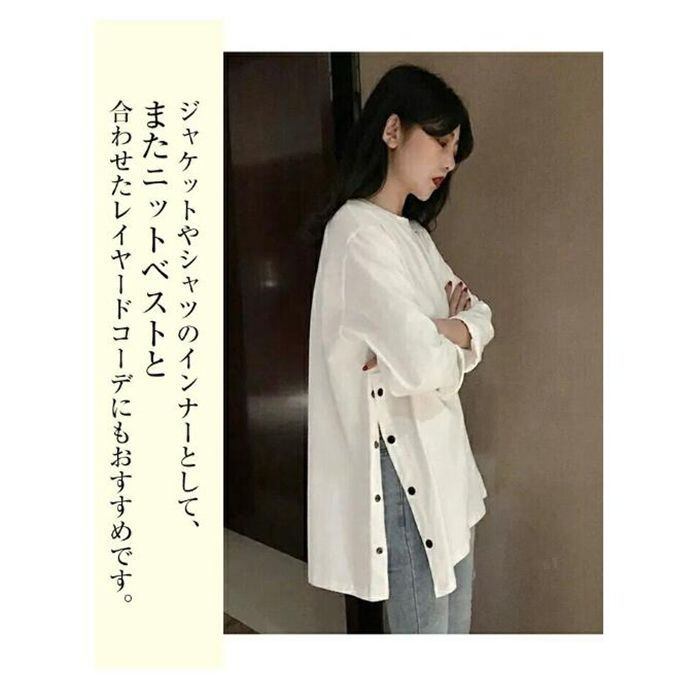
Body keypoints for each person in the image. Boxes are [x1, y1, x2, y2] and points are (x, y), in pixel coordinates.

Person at [306, 64, 495, 633]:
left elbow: (482, 318)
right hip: (405, 472)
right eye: (441, 142)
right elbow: (422, 361)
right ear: (393, 131)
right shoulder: (355, 234)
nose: (449, 161)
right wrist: (444, 335)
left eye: (455, 150)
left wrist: (445, 328)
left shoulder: (413, 237)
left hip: (449, 470)